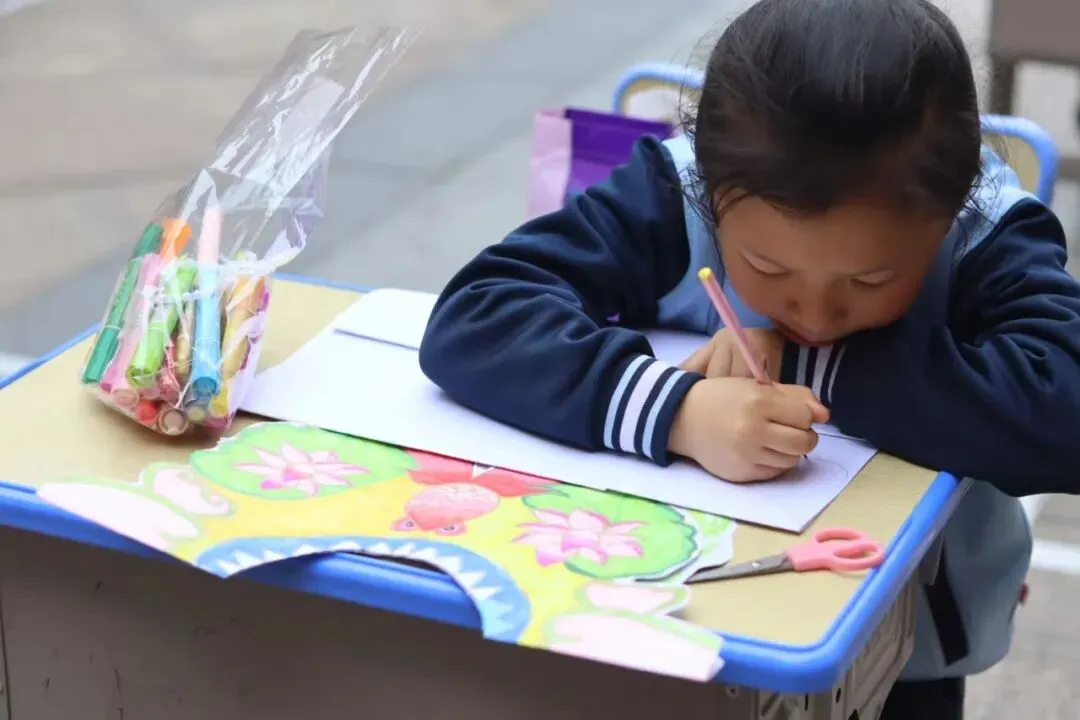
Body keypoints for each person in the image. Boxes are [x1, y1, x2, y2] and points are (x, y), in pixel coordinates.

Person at [418, 0, 1080, 716]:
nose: (815, 315)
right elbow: (478, 315)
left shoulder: (986, 232)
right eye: (767, 267)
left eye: (870, 280)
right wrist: (677, 411)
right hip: (667, 611)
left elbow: (1066, 410)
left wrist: (804, 366)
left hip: (900, 648)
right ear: (708, 188)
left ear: (953, 207)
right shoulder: (672, 195)